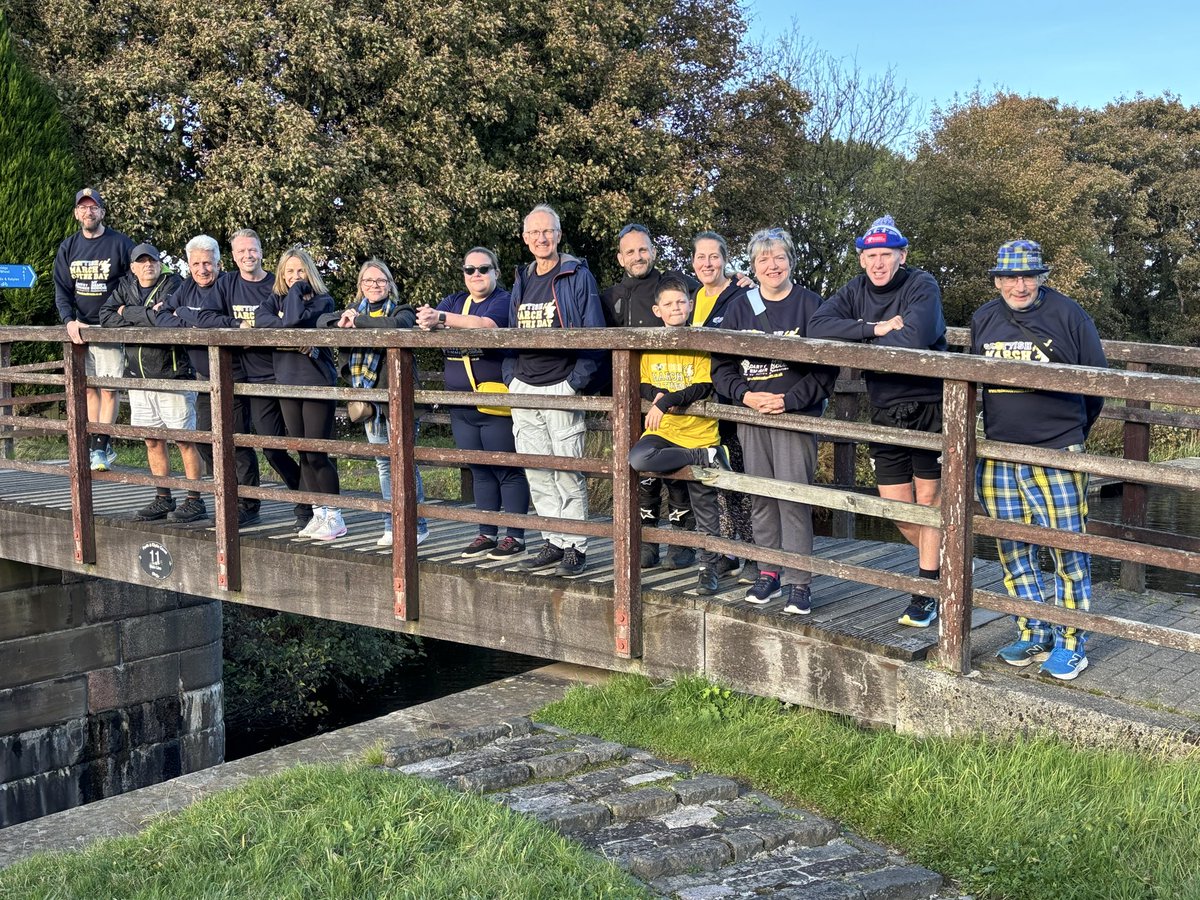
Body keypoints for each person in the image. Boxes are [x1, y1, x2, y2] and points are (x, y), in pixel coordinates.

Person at [973, 240, 1107, 681]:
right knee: (1012, 550)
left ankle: (1072, 643)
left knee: (1068, 550)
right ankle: (1033, 630)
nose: (1019, 284)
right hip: (998, 453)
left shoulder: (1069, 315)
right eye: (1010, 276)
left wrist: (1069, 436)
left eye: (1028, 275)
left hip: (1057, 450)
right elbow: (973, 383)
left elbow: (1097, 384)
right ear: (997, 280)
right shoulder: (984, 318)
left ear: (1041, 277)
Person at [809, 215, 948, 628]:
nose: (878, 263)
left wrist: (861, 337)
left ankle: (926, 591)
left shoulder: (921, 284)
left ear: (901, 255)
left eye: (886, 254)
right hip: (884, 406)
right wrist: (875, 327)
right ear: (861, 259)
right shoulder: (856, 291)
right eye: (871, 256)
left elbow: (917, 338)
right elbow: (818, 326)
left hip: (928, 403)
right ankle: (948, 567)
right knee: (897, 509)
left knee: (930, 503)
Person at [712, 228, 838, 614]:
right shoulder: (739, 307)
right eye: (763, 259)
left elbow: (825, 369)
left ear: (790, 262)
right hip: (752, 415)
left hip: (794, 417)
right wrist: (746, 396)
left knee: (793, 497)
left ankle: (799, 581)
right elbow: (722, 365)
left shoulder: (811, 304)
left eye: (779, 257)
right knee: (762, 496)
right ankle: (768, 571)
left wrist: (788, 401)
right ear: (753, 265)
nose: (772, 265)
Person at [502, 203, 606, 578]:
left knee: (568, 470)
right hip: (524, 387)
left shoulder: (577, 275)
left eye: (548, 232)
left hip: (561, 384)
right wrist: (511, 375)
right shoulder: (523, 276)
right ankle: (553, 539)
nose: (541, 238)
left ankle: (575, 545)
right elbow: (512, 332)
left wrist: (574, 382)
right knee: (538, 469)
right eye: (534, 233)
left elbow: (594, 333)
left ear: (559, 235)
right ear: (525, 237)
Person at [414, 248, 530, 559]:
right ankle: (486, 532)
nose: (476, 274)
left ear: (496, 272)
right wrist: (442, 320)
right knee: (479, 468)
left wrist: (444, 320)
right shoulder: (454, 301)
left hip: (494, 402)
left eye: (483, 269)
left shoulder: (505, 299)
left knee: (507, 469)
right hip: (460, 403)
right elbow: (432, 325)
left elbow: (489, 326)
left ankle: (515, 535)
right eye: (470, 270)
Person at [602, 223, 701, 571]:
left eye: (643, 249)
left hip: (675, 394)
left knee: (671, 466)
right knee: (639, 471)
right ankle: (645, 541)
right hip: (632, 395)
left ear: (653, 251)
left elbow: (712, 293)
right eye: (630, 251)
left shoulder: (674, 283)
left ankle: (681, 542)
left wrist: (739, 282)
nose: (638, 256)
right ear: (620, 257)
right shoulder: (610, 295)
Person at [628, 275, 730, 595]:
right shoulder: (651, 343)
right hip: (666, 432)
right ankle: (701, 458)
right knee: (638, 458)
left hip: (698, 431)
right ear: (658, 310)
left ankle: (708, 567)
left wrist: (667, 399)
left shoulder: (698, 340)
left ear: (690, 305)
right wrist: (657, 392)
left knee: (705, 503)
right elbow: (642, 383)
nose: (675, 308)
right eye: (669, 304)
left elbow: (703, 386)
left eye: (681, 302)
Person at [151, 234, 262, 525]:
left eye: (208, 263)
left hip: (234, 375)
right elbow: (161, 317)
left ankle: (248, 503)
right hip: (204, 379)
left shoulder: (228, 285)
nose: (202, 269)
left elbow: (223, 323)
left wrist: (190, 316)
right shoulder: (185, 288)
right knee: (203, 440)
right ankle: (225, 494)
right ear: (189, 265)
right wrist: (192, 318)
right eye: (196, 264)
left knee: (236, 441)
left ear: (219, 263)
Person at [98, 243, 206, 522]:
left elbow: (165, 320)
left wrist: (127, 312)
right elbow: (105, 316)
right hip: (139, 377)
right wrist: (138, 314)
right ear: (133, 266)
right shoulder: (125, 286)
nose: (148, 265)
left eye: (152, 261)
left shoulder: (175, 285)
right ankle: (163, 498)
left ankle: (195, 499)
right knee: (152, 440)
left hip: (173, 375)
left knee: (185, 439)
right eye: (141, 261)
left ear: (160, 264)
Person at [323, 259, 427, 548]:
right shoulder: (353, 311)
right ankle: (391, 524)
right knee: (383, 464)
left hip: (398, 399)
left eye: (380, 281)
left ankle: (417, 525)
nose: (374, 286)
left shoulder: (402, 310)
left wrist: (357, 322)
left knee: (405, 462)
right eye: (368, 281)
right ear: (360, 285)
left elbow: (396, 325)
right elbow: (321, 321)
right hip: (370, 401)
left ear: (389, 284)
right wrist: (340, 321)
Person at [249, 247, 341, 540]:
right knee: (302, 451)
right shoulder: (272, 299)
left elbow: (289, 322)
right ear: (280, 274)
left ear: (310, 272)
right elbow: (265, 322)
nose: (294, 277)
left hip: (316, 381)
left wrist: (298, 294)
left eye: (300, 271)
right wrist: (291, 331)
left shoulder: (324, 300)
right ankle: (318, 512)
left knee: (317, 452)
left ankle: (335, 515)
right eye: (289, 272)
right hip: (286, 381)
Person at [223, 230, 310, 531]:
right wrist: (236, 325)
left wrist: (269, 331)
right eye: (241, 251)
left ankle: (310, 507)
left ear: (261, 251)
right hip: (257, 378)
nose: (248, 255)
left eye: (253, 249)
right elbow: (197, 312)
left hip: (289, 375)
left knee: (305, 445)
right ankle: (306, 496)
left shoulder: (280, 284)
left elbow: (294, 322)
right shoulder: (226, 284)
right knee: (272, 448)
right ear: (233, 256)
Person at [53, 187, 134, 471]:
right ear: (77, 213)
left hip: (110, 328)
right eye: (83, 207)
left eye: (94, 207)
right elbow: (62, 289)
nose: (89, 212)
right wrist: (68, 320)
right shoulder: (68, 247)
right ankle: (96, 445)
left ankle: (100, 446)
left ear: (102, 212)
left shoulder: (121, 244)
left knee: (110, 389)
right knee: (89, 390)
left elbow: (133, 283)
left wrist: (124, 311)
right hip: (82, 329)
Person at [690, 230, 751, 580]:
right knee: (717, 480)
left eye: (714, 256)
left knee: (741, 479)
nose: (707, 263)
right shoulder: (690, 294)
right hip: (701, 403)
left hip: (730, 399)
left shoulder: (742, 292)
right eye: (701, 257)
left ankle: (753, 555)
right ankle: (727, 551)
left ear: (725, 259)